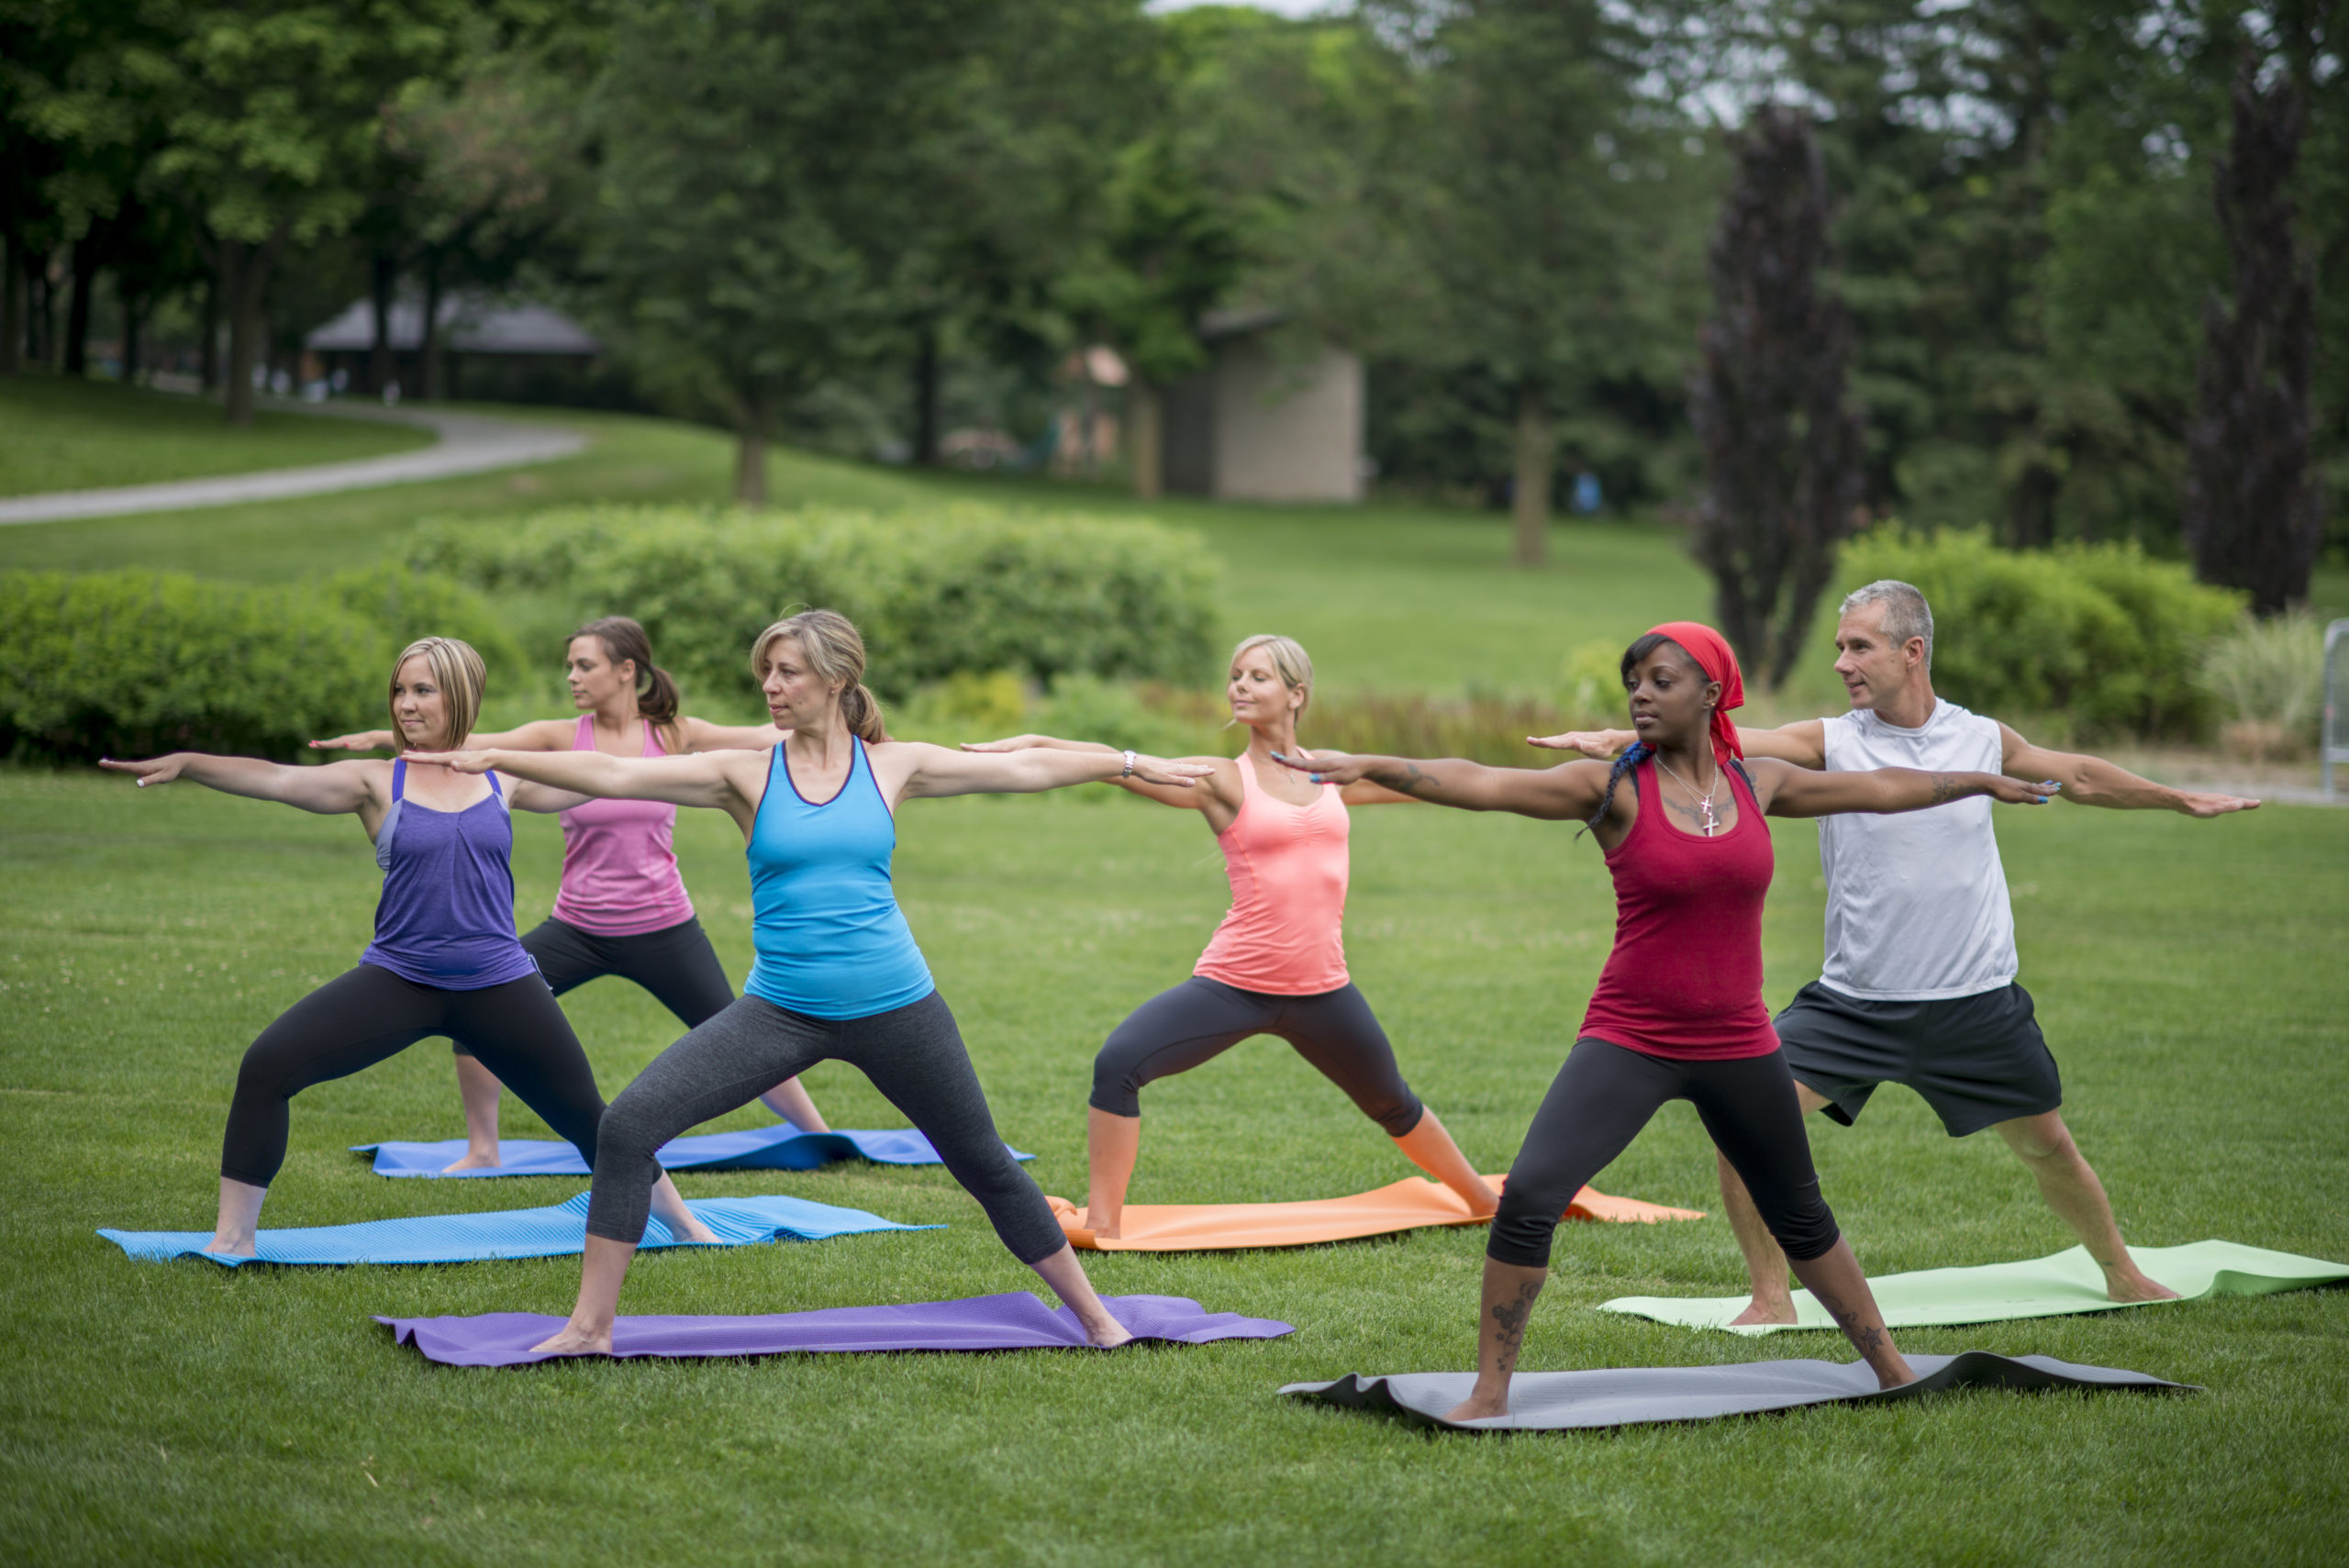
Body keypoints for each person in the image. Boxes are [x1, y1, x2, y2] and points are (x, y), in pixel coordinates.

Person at [1280, 621, 2062, 1420]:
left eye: (1661, 681)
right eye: (1635, 683)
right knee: (1531, 1196)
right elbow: (1480, 780)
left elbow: (1886, 788)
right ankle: (1488, 1390)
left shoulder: (1761, 783)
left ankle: (1892, 1367)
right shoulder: (1612, 787)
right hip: (1631, 1036)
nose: (1641, 696)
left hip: (1740, 1040)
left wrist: (1980, 782)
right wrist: (1373, 765)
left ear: (1711, 693)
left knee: (1801, 1213)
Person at [406, 609, 1216, 1354]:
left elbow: (1032, 769)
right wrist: (496, 755)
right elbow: (615, 778)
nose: (771, 686)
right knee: (627, 1127)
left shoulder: (893, 766)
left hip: (899, 1005)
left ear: (835, 680)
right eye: (767, 672)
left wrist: (1136, 761)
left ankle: (1099, 1319)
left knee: (984, 1162)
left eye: (787, 671)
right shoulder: (744, 773)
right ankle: (589, 1327)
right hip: (781, 1010)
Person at [1533, 581, 2258, 1323]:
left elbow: (2076, 774)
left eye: (1860, 646)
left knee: (2048, 1149)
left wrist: (2179, 798)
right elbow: (1724, 740)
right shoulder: (1831, 739)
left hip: (1976, 1005)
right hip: (1853, 1006)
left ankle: (2123, 1273)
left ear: (1912, 651)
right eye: (1840, 647)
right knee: (1745, 1136)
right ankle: (1771, 1295)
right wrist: (1613, 740)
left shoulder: (1982, 738)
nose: (1843, 662)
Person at [98, 637, 714, 1255]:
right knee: (266, 1067)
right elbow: (278, 778)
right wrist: (191, 762)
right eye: (400, 689)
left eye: (423, 690)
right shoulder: (374, 781)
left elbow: (615, 774)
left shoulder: (505, 777)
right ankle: (233, 1237)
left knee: (591, 1118)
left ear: (461, 696)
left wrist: (716, 755)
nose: (406, 704)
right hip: (400, 979)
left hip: (498, 983)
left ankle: (684, 1223)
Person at [965, 634, 1497, 1239]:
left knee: (1392, 1102)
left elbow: (1438, 779)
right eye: (1236, 675)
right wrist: (1036, 741)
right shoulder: (1222, 779)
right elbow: (1115, 763)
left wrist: (1532, 783)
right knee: (1118, 1064)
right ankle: (1104, 1224)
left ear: (1296, 694)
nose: (1240, 686)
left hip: (1324, 990)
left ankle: (1482, 1202)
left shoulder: (1332, 772)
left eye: (1259, 677)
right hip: (1234, 985)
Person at [314, 616, 827, 1167]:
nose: (573, 678)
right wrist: (385, 739)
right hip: (577, 926)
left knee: (735, 1031)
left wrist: (853, 732)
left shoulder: (675, 733)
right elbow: (474, 742)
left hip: (664, 926)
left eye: (585, 665)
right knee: (479, 1021)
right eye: (570, 667)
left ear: (627, 671)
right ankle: (483, 1150)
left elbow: (767, 737)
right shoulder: (561, 736)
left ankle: (824, 1136)